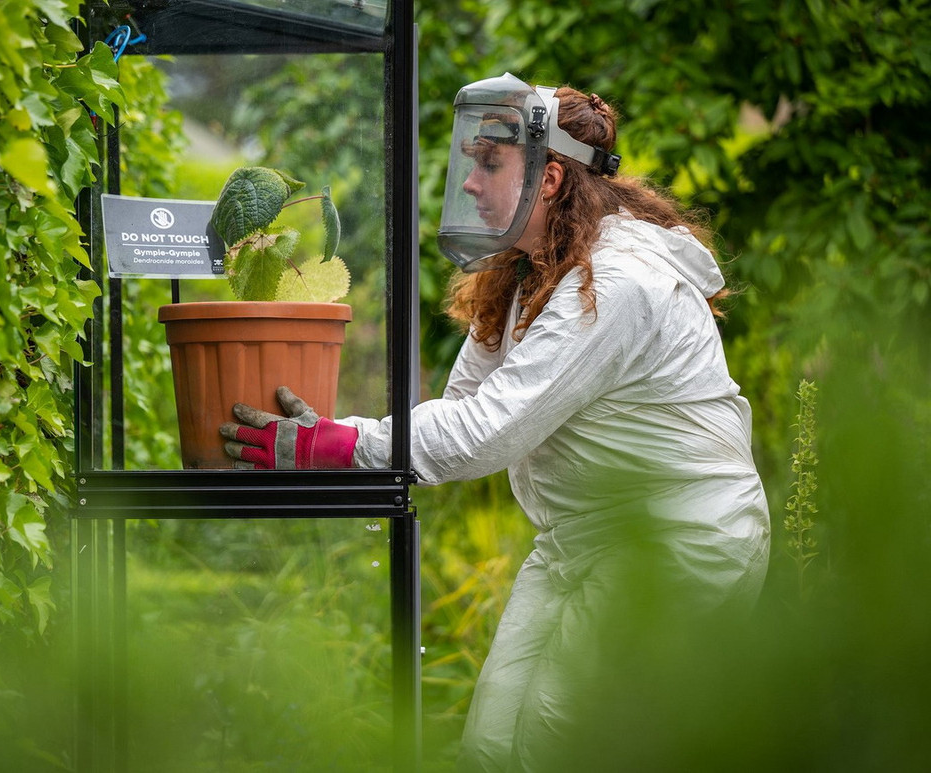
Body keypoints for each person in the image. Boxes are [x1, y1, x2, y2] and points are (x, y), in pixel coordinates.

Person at [221, 74, 770, 771]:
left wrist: (340, 443)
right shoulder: (527, 273)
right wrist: (344, 438)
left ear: (548, 180)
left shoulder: (619, 283)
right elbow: (460, 412)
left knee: (557, 741)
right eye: (471, 162)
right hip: (580, 538)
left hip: (680, 543)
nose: (470, 184)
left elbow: (487, 432)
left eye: (490, 163)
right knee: (490, 742)